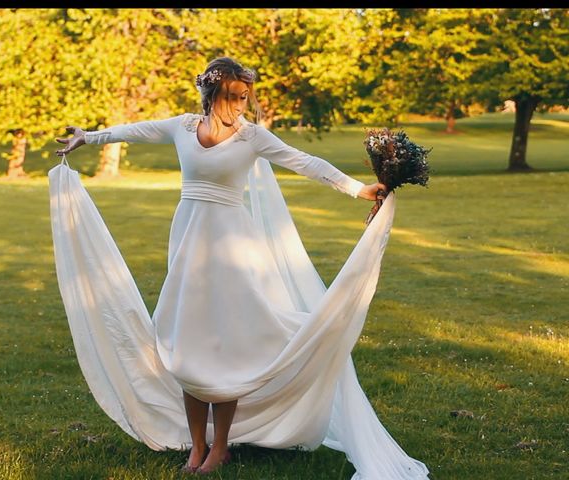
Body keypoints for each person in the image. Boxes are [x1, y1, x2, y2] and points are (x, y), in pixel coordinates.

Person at [52, 56, 429, 478]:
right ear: (210, 93)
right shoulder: (182, 127)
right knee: (185, 343)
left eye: (244, 97)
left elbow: (304, 161)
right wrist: (90, 137)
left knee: (224, 346)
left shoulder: (252, 137)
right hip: (188, 244)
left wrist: (358, 189)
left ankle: (221, 448)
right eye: (231, 96)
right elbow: (136, 131)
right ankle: (198, 444)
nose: (239, 104)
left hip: (233, 250)